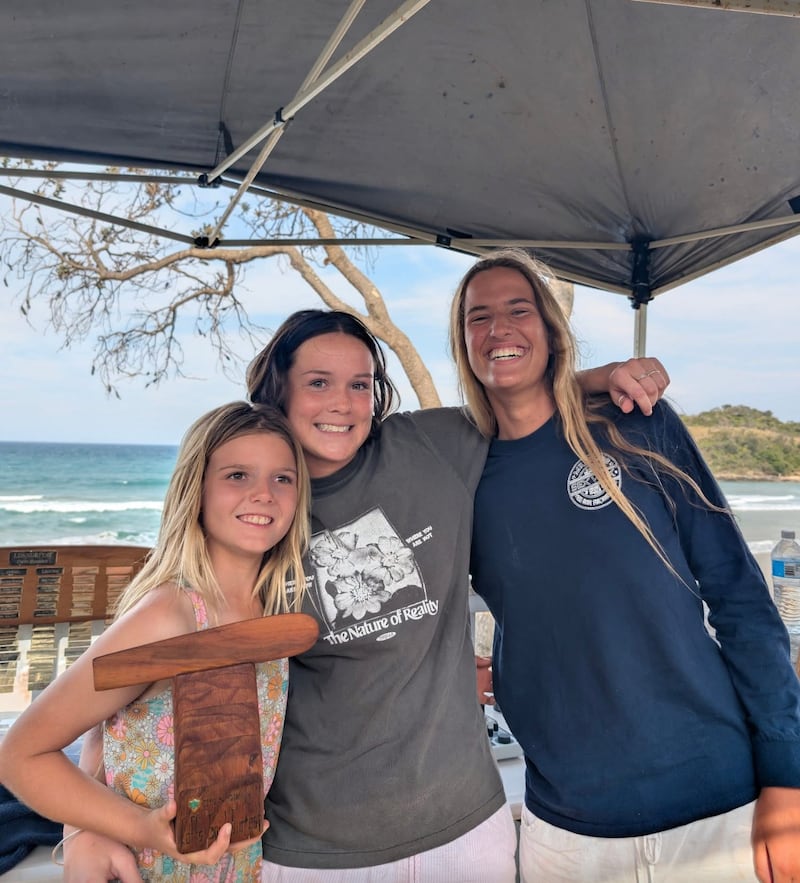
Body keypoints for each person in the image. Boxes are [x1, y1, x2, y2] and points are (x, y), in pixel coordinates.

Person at [60, 309, 667, 882]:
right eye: (318, 382)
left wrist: (605, 376)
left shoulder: (428, 446)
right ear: (278, 393)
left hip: (464, 827)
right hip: (309, 846)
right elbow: (134, 677)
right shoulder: (258, 512)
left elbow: (520, 401)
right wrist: (82, 825)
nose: (343, 404)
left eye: (360, 384)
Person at [448, 248, 800, 883]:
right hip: (568, 825)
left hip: (716, 805)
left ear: (552, 332)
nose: (498, 329)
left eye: (518, 310)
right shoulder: (460, 472)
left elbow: (739, 595)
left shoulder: (636, 424)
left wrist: (787, 774)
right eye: (478, 317)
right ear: (462, 342)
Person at [0, 402, 311, 882]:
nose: (263, 495)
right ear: (197, 490)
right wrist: (129, 829)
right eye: (237, 476)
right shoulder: (170, 614)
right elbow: (22, 753)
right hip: (147, 869)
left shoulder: (275, 608)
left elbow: (105, 726)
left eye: (282, 479)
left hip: (239, 867)